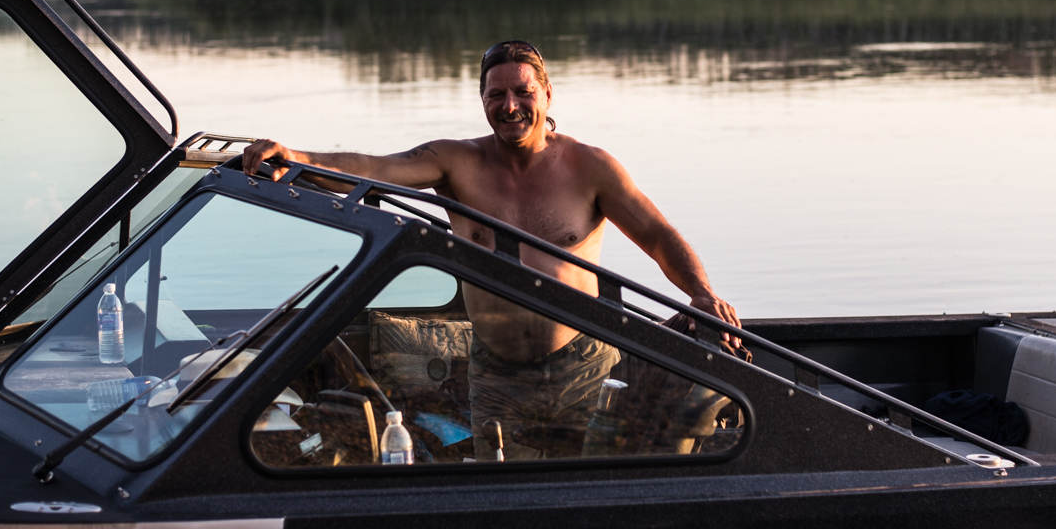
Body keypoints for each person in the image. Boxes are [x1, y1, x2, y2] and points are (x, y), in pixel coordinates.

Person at [241, 39, 739, 460]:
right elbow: (375, 168)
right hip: (498, 375)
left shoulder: (590, 167)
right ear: (481, 99)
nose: (510, 106)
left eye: (523, 92)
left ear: (547, 93)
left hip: (585, 365)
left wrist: (701, 293)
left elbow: (658, 234)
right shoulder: (457, 162)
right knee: (503, 498)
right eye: (496, 94)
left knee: (591, 498)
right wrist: (298, 158)